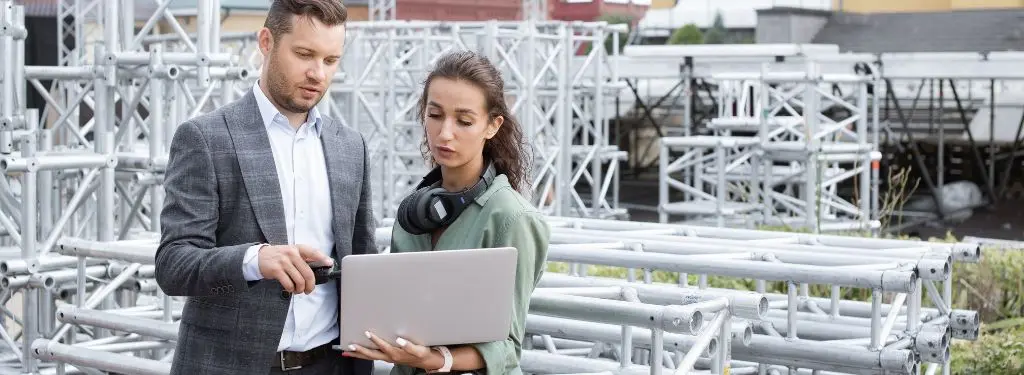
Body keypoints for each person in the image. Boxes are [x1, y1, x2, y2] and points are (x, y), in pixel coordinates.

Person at [154, 1, 376, 374]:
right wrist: (254, 260)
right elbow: (173, 263)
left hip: (330, 365)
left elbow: (361, 263)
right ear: (266, 41)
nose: (317, 73)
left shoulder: (351, 146)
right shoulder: (205, 138)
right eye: (304, 54)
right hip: (229, 366)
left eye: (330, 60)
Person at [341, 51, 551, 375]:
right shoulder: (414, 213)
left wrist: (435, 361)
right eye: (435, 115)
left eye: (464, 121)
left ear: (493, 126)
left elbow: (508, 347)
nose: (445, 133)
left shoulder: (512, 218)